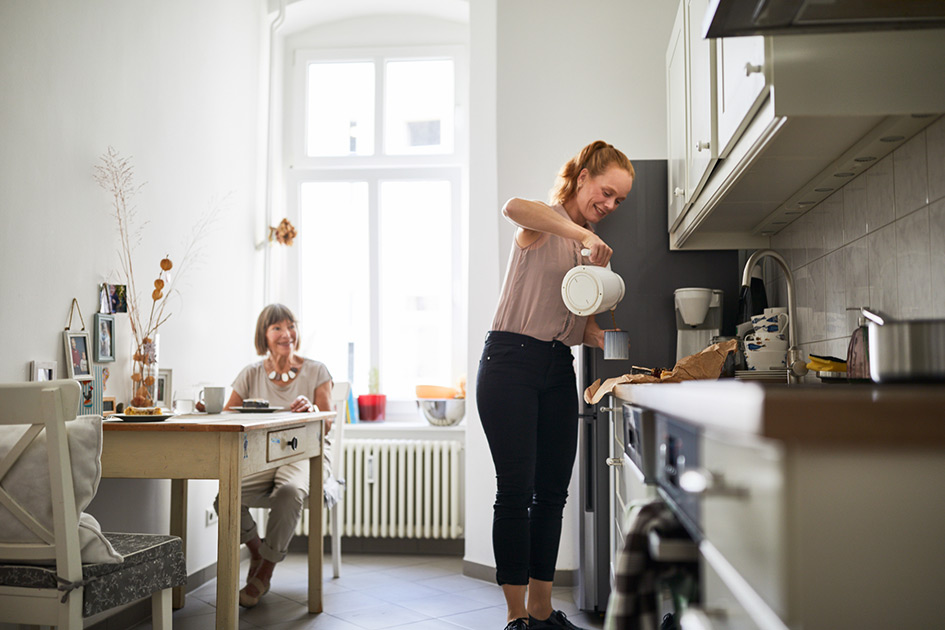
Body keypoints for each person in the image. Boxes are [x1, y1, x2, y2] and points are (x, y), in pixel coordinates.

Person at [476, 140, 635, 630]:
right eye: (606, 192)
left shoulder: (587, 249)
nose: (608, 206)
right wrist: (577, 232)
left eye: (618, 201)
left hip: (554, 366)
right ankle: (516, 617)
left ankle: (542, 611)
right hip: (509, 364)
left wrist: (621, 349)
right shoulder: (543, 223)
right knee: (516, 491)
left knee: (552, 494)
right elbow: (511, 207)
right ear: (583, 175)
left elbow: (571, 325)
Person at [218, 303, 332, 608]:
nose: (287, 334)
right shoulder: (251, 373)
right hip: (262, 456)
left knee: (289, 493)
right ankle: (258, 551)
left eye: (291, 326)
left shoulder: (315, 370)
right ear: (264, 335)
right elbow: (228, 416)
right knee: (225, 498)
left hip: (304, 454)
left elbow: (328, 421)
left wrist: (313, 409)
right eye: (277, 328)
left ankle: (264, 573)